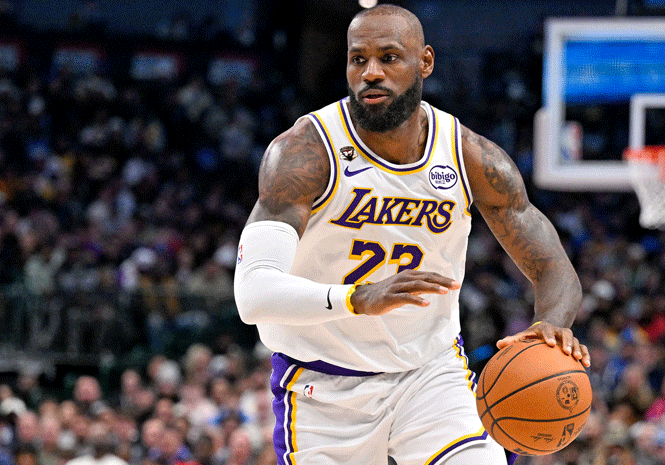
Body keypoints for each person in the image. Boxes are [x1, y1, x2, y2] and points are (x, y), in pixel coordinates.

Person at [233, 5, 590, 464]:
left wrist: (550, 327)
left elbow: (552, 268)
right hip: (322, 385)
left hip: (429, 375)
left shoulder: (472, 158)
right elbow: (253, 293)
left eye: (389, 57)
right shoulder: (305, 153)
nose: (371, 73)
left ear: (425, 62)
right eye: (358, 59)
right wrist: (356, 298)